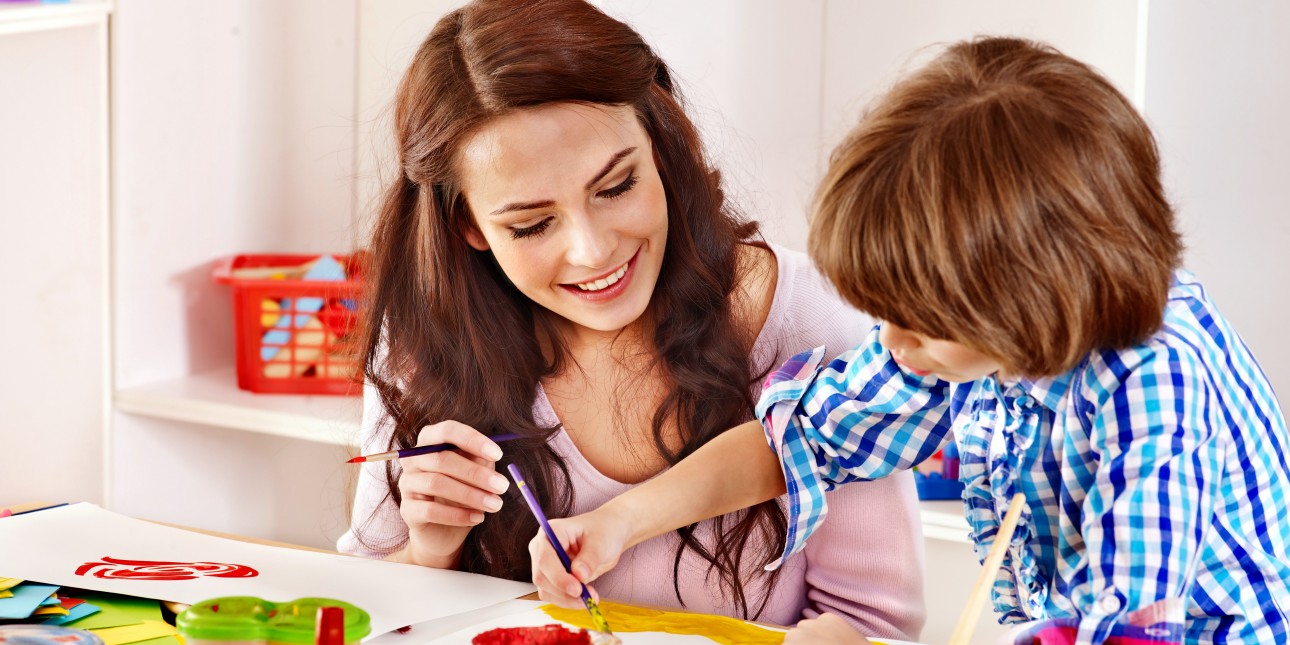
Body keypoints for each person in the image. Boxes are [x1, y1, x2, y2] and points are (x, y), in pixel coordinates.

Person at [528, 37, 1290, 644]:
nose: (888, 341)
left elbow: (1122, 630)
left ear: (1027, 300)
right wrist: (619, 522)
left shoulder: (1156, 385)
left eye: (914, 323)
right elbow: (805, 439)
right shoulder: (961, 330)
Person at [336, 0, 925, 638]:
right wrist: (430, 550)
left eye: (616, 187)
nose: (592, 251)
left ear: (661, 148)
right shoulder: (426, 337)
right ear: (468, 226)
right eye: (531, 224)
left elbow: (874, 625)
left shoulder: (808, 318)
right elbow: (368, 613)